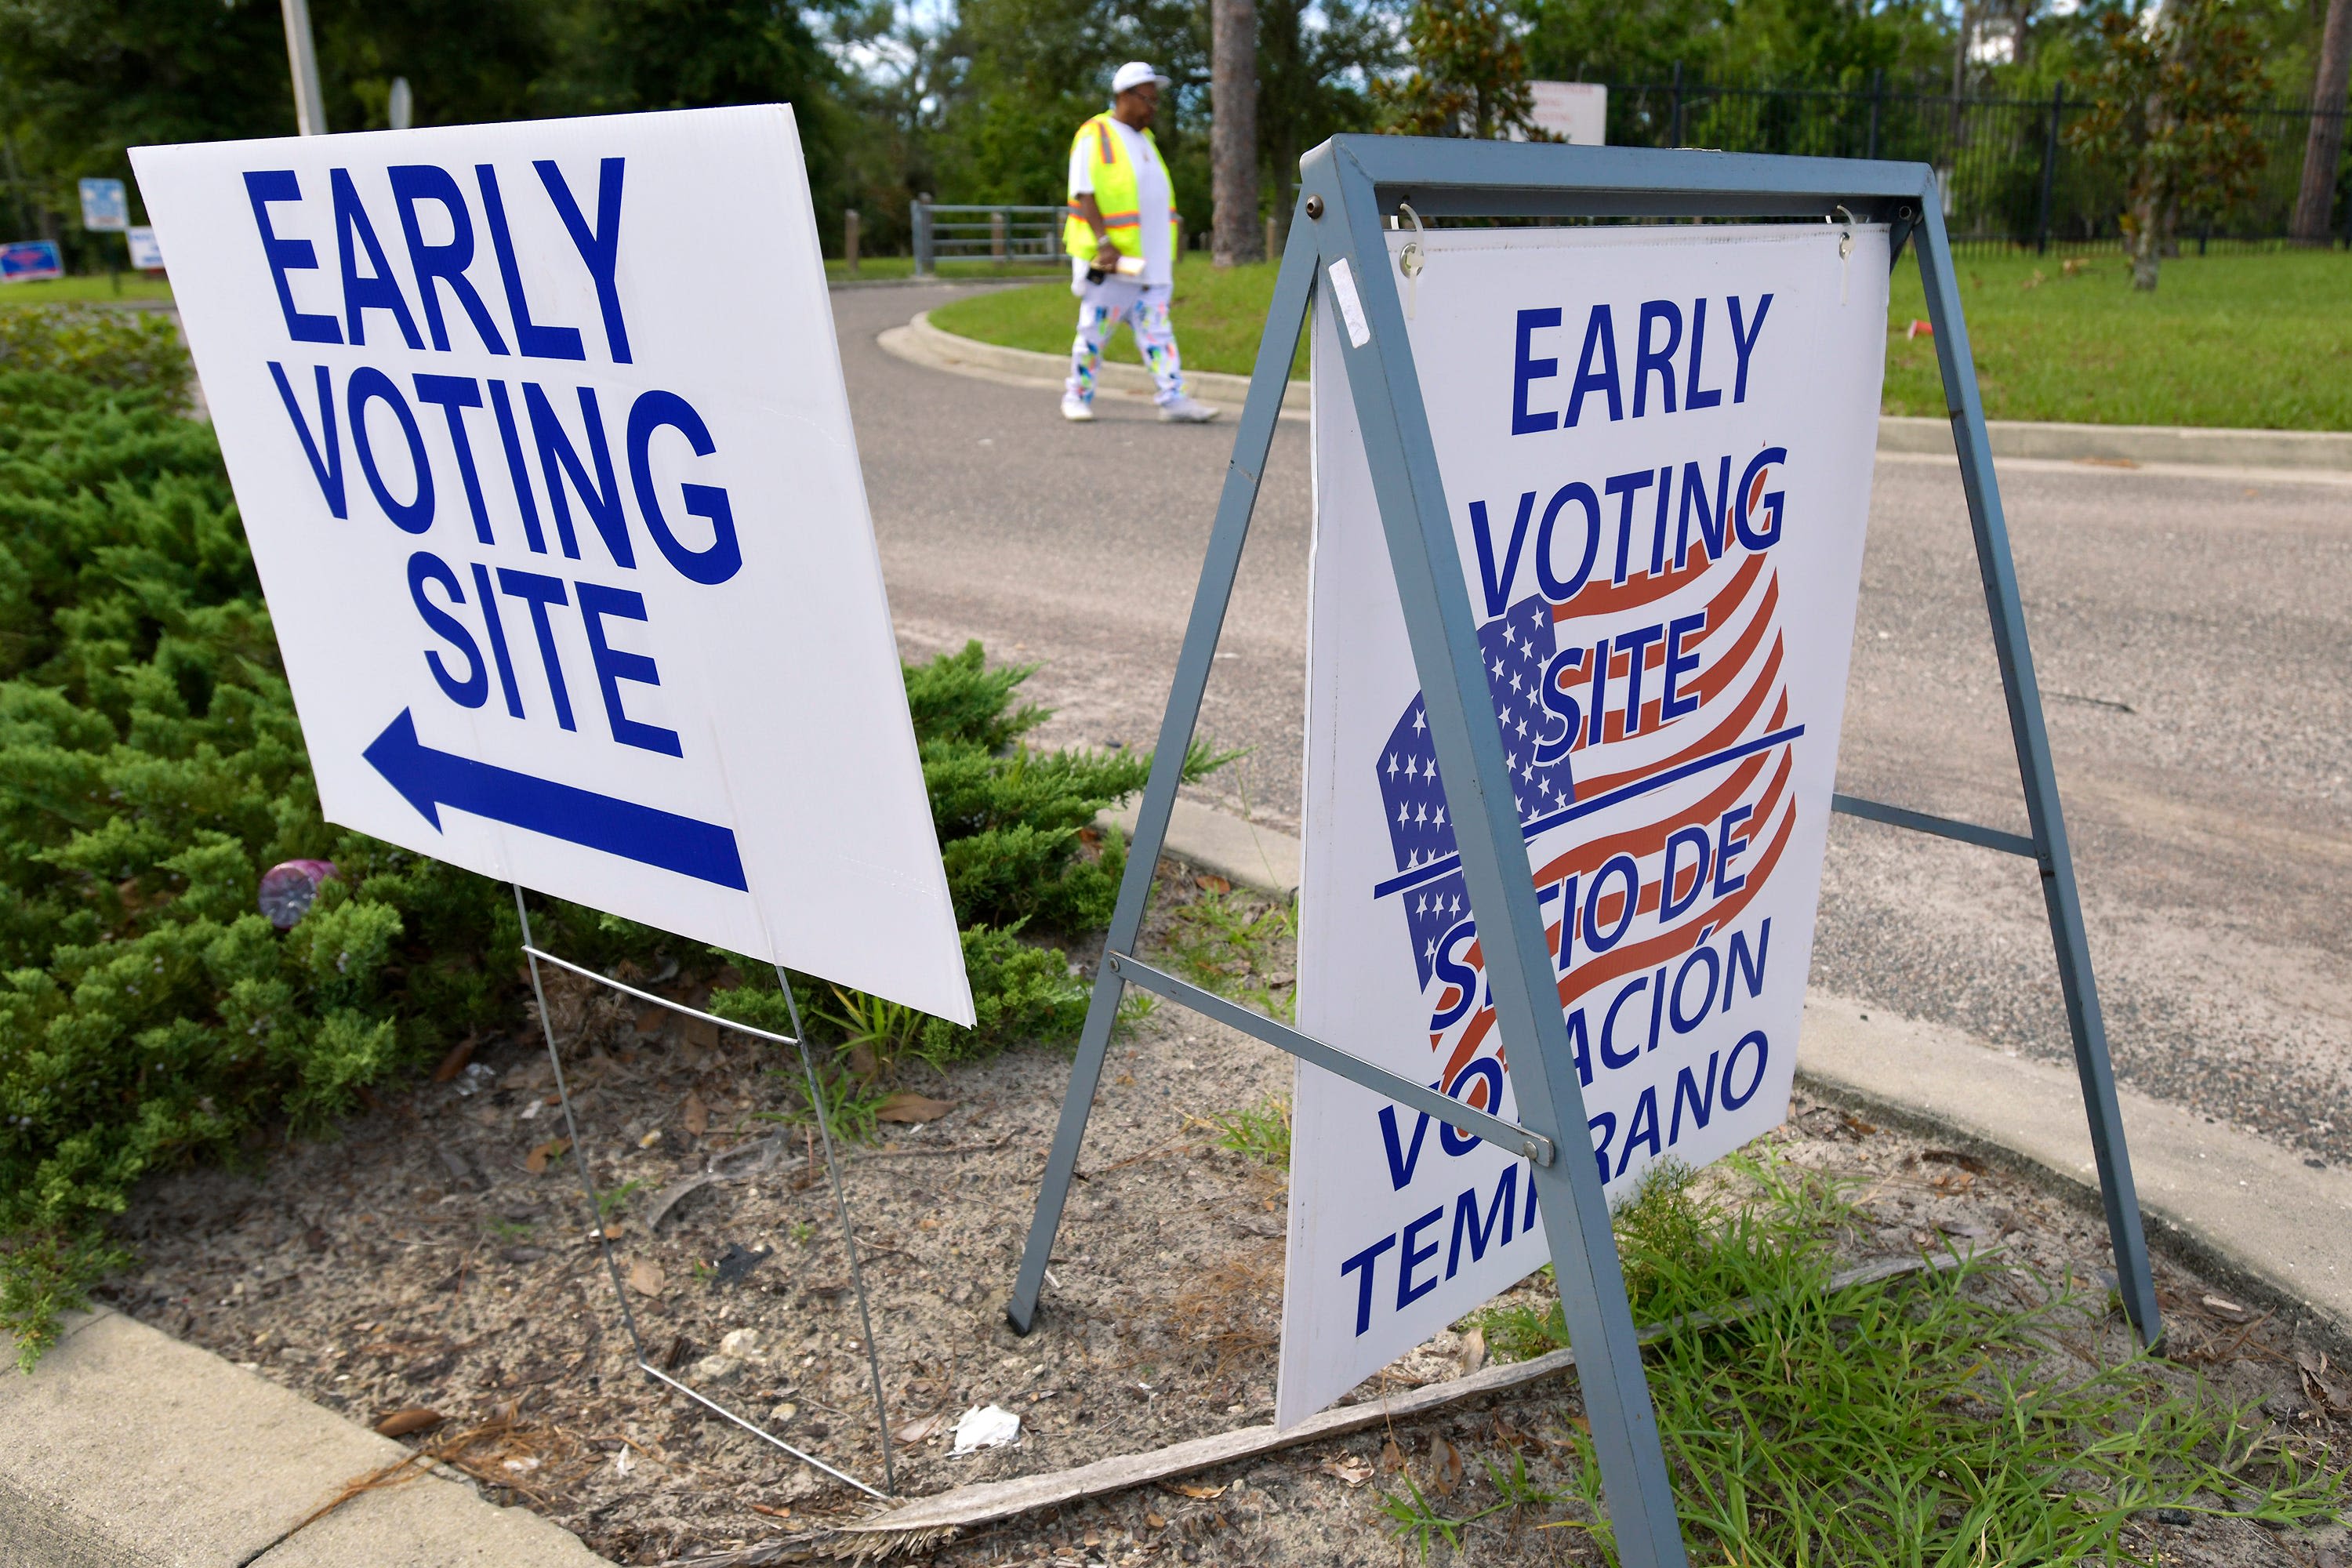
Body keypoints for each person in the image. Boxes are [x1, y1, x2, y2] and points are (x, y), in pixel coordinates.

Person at [1061, 61, 1219, 424]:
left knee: (1159, 334)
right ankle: (1076, 395)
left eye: (1155, 101)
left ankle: (1173, 398)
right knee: (1093, 333)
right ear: (1123, 96)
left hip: (1151, 264)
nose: (1152, 108)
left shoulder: (1145, 139)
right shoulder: (1095, 134)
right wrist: (1104, 242)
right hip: (1115, 262)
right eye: (1147, 99)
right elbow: (1083, 193)